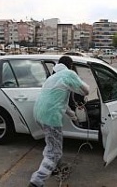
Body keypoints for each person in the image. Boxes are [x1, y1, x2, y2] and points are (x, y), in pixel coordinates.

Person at [29, 56, 89, 187]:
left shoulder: (52, 77)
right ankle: (36, 181)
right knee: (54, 152)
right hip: (51, 117)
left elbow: (60, 102)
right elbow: (86, 90)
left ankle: (56, 167)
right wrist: (76, 85)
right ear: (71, 66)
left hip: (39, 114)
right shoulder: (68, 74)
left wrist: (73, 115)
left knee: (52, 144)